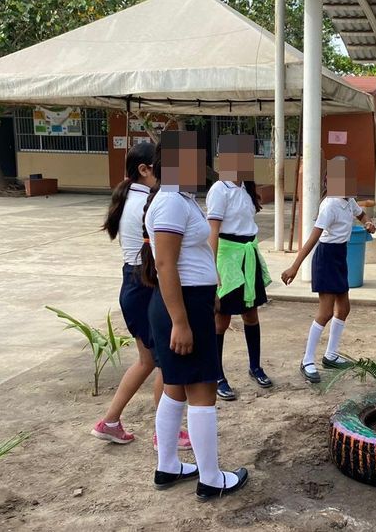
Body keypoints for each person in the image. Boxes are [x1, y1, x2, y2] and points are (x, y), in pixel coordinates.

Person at [142, 131, 247, 500]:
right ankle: (211, 478)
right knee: (203, 388)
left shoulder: (180, 198)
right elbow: (166, 264)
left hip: (190, 300)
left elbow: (190, 256)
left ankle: (168, 465)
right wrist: (182, 322)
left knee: (174, 385)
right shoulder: (171, 202)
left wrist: (213, 288)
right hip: (181, 304)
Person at [91, 142, 191, 452]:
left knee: (148, 360)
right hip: (146, 285)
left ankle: (109, 422)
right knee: (164, 363)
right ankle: (167, 431)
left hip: (134, 285)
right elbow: (163, 260)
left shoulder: (133, 199)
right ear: (145, 170)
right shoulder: (148, 203)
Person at [280, 158, 376, 383]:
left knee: (344, 308)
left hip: (339, 256)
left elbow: (362, 215)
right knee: (324, 312)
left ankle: (331, 355)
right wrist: (295, 266)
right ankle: (307, 360)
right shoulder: (330, 205)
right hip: (325, 257)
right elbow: (312, 239)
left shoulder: (348, 200)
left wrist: (368, 223)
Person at [206, 135, 272, 401]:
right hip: (228, 257)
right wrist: (212, 270)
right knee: (221, 319)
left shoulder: (245, 187)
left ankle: (255, 366)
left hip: (248, 255)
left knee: (251, 314)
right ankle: (217, 374)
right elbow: (213, 232)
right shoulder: (219, 191)